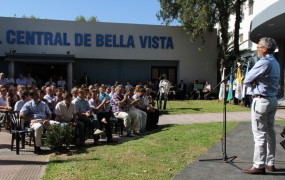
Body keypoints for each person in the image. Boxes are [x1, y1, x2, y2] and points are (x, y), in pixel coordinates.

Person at [242, 37, 280, 175]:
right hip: (273, 100)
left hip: (262, 101)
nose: (257, 49)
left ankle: (258, 165)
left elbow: (247, 79)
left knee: (259, 134)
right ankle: (270, 162)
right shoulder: (275, 62)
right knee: (270, 132)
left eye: (258, 46)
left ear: (264, 49)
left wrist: (252, 91)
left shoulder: (263, 62)